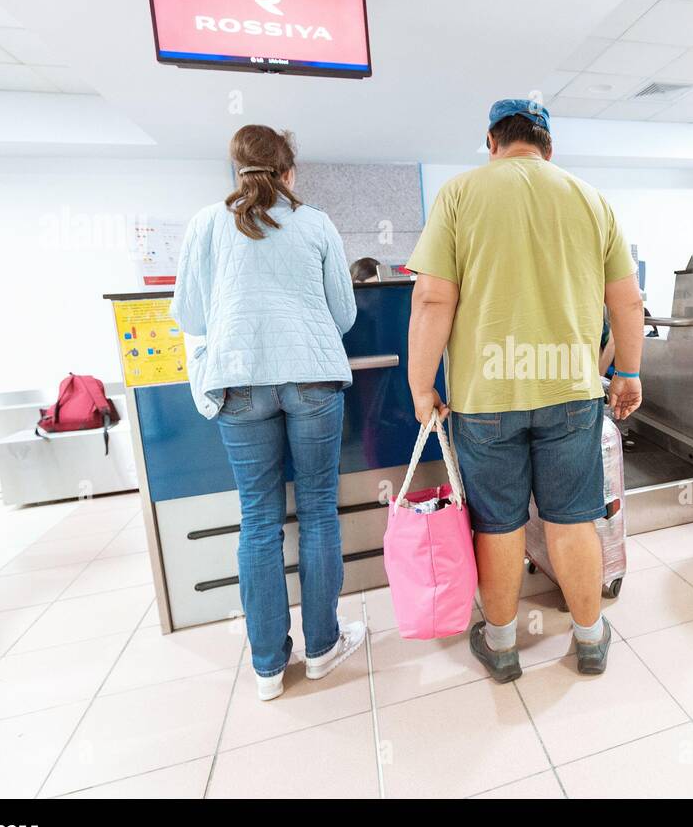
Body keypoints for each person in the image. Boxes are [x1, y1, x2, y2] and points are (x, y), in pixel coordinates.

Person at [405, 98, 644, 681]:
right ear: (548, 147)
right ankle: (589, 640)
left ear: (492, 142)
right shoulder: (590, 199)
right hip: (570, 391)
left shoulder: (460, 195)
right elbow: (626, 301)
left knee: (499, 524)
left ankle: (503, 644)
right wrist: (629, 371)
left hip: (488, 400)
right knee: (571, 520)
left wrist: (420, 385)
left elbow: (434, 298)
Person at [171, 124, 366, 702]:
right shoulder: (315, 223)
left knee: (258, 520)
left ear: (237, 170)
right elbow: (345, 314)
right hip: (310, 378)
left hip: (238, 381)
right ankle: (324, 647)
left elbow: (189, 314)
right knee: (318, 512)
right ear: (289, 171)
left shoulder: (206, 224)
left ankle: (266, 667)